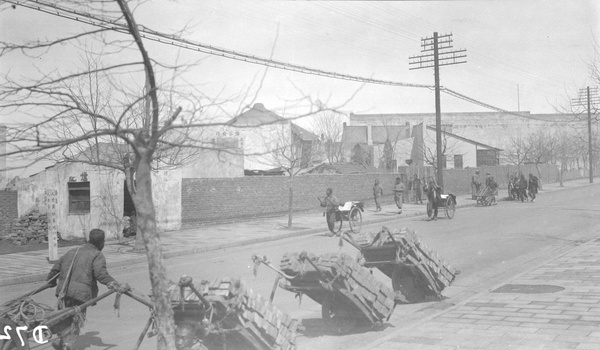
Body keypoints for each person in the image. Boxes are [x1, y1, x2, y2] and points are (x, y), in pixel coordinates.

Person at [47, 229, 128, 350]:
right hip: (80, 296)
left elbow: (55, 270)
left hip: (63, 293)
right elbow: (101, 274)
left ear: (89, 239)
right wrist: (114, 284)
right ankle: (66, 345)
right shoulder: (97, 254)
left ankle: (61, 341)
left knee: (63, 319)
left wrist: (51, 281)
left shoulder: (73, 251)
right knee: (75, 322)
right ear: (101, 242)